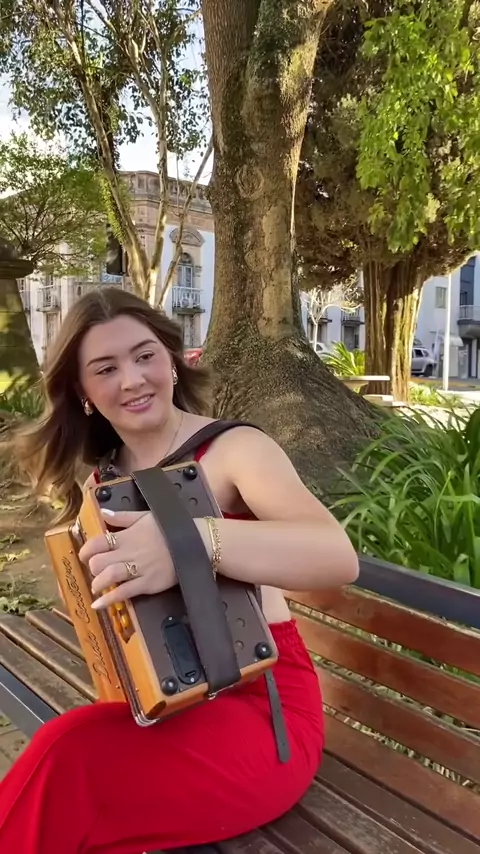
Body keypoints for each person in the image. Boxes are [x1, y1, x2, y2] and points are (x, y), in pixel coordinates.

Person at [0, 287, 359, 854]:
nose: (133, 379)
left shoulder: (234, 449)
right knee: (67, 770)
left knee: (65, 763)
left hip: (265, 713)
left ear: (170, 359)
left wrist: (190, 543)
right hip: (164, 702)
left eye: (144, 356)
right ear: (83, 391)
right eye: (106, 368)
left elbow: (337, 556)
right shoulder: (103, 481)